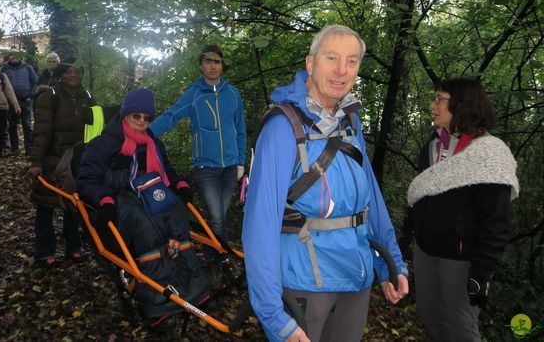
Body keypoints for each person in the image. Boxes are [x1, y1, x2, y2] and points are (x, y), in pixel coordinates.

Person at [242, 25, 409, 342]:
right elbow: (259, 225)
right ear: (310, 63)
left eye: (352, 60)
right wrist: (273, 315)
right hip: (306, 285)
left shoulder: (350, 121)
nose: (341, 70)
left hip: (356, 278)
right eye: (331, 57)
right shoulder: (282, 127)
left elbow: (369, 195)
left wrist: (390, 263)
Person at [76, 88, 209, 320]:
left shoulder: (153, 144)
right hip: (119, 197)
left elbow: (167, 172)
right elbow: (86, 179)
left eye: (147, 118)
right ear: (126, 114)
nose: (141, 121)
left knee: (176, 216)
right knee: (147, 228)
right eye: (137, 116)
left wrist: (179, 185)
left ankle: (192, 287)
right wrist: (104, 200)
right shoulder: (105, 143)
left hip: (150, 192)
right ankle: (158, 302)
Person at [406, 77, 519, 342]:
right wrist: (408, 235)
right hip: (425, 251)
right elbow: (420, 199)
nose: (432, 105)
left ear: (460, 105)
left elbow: (497, 220)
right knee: (429, 314)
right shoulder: (432, 147)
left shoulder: (489, 154)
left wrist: (482, 272)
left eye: (439, 99)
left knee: (461, 326)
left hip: (460, 258)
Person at [149, 45, 246, 257]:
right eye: (208, 61)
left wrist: (240, 161)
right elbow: (172, 116)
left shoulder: (232, 93)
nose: (213, 66)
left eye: (217, 62)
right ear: (201, 65)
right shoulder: (194, 94)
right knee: (217, 216)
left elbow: (240, 130)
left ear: (222, 66)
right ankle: (220, 258)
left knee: (220, 215)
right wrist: (147, 133)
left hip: (230, 167)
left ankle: (214, 255)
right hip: (205, 168)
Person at [28, 62, 95, 266]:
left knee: (73, 205)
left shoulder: (88, 97)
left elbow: (95, 130)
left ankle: (73, 248)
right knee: (46, 206)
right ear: (60, 75)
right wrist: (36, 161)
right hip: (52, 160)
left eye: (78, 71)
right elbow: (42, 131)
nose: (73, 75)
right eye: (68, 72)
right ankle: (44, 252)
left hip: (77, 161)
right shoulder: (49, 97)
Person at [2, 53, 38, 156]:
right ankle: (15, 149)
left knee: (26, 125)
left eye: (16, 55)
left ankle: (29, 148)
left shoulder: (28, 68)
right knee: (12, 125)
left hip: (25, 101)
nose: (13, 57)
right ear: (8, 57)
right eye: (11, 55)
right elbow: (0, 83)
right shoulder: (4, 69)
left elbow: (35, 82)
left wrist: (31, 96)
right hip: (10, 102)